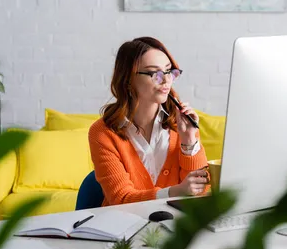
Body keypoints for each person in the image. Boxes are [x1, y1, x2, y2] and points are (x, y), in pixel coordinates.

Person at [88, 37, 209, 206]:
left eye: (169, 71)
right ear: (128, 79)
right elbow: (121, 199)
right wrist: (175, 192)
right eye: (155, 73)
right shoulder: (102, 132)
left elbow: (200, 191)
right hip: (124, 226)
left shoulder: (181, 124)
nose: (166, 80)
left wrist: (189, 140)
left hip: (174, 226)